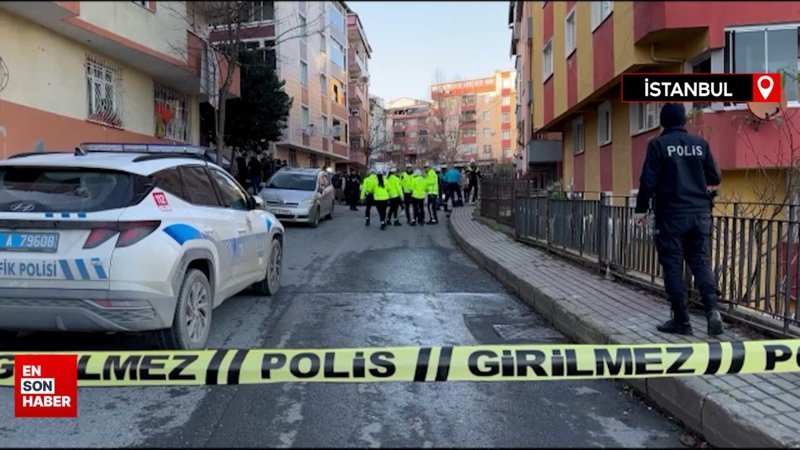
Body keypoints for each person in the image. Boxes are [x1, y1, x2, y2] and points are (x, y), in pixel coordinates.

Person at [634, 103, 723, 337]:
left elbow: (647, 182)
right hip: (700, 214)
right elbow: (715, 176)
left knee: (672, 266)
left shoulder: (658, 146)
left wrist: (640, 211)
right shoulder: (700, 144)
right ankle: (713, 311)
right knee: (701, 262)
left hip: (671, 216)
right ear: (684, 121)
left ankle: (682, 321)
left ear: (663, 121)